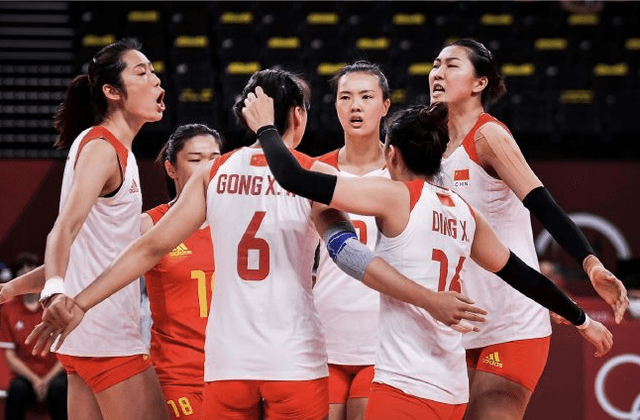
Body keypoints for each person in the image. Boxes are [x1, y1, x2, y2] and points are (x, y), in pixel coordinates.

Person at [27, 69, 485, 420]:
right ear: (299, 116)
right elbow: (347, 254)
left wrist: (81, 302)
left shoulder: (213, 172)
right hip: (294, 361)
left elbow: (148, 249)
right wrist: (426, 297)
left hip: (228, 363)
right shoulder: (315, 174)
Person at [239, 89, 613, 419]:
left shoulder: (396, 196)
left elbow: (294, 178)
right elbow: (522, 274)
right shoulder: (465, 212)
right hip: (451, 390)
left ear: (391, 154)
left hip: (404, 383)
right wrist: (581, 319)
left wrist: (266, 129)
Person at [427, 38, 628, 420]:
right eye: (435, 64)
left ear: (480, 83)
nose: (437, 73)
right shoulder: (428, 143)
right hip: (456, 322)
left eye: (451, 65)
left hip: (510, 319)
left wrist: (591, 264)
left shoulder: (488, 136)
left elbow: (544, 206)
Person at [24, 38, 169, 420]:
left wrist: (11, 288)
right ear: (112, 92)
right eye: (142, 73)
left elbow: (88, 250)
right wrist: (54, 290)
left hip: (85, 337)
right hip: (107, 337)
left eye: (154, 72)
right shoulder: (103, 150)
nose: (156, 81)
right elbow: (64, 229)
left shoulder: (107, 147)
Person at [314, 61, 390, 420]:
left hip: (383, 340)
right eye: (345, 97)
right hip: (323, 337)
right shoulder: (314, 171)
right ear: (336, 106)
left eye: (366, 97)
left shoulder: (405, 174)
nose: (355, 106)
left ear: (385, 106)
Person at [142, 123, 222, 420]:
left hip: (235, 372)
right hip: (179, 375)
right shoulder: (151, 224)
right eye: (196, 159)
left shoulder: (239, 221)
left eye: (215, 158)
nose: (208, 168)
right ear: (171, 169)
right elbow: (95, 266)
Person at [0, 254, 67, 420]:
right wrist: (35, 380)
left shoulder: (56, 304)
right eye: (21, 268)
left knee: (60, 388)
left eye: (31, 267)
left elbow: (66, 349)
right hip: (25, 375)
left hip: (54, 374)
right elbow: (9, 356)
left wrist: (47, 380)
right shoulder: (8, 309)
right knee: (17, 389)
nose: (26, 271)